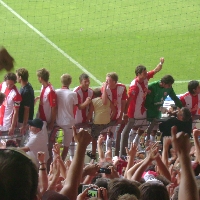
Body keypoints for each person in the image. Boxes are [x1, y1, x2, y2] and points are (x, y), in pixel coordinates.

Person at [120, 58, 164, 156]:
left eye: (145, 72)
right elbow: (129, 100)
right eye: (144, 73)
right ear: (138, 74)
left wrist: (161, 62)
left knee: (144, 126)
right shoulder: (134, 86)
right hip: (134, 111)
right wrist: (125, 113)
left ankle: (136, 143)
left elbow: (156, 70)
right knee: (134, 128)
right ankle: (130, 146)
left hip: (142, 108)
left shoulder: (145, 78)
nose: (146, 74)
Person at [145, 75, 182, 141]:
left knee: (154, 131)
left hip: (157, 112)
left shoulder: (169, 88)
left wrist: (182, 107)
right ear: (163, 83)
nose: (170, 86)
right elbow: (147, 104)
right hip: (149, 112)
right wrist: (159, 108)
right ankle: (139, 145)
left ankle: (151, 144)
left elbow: (175, 98)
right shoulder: (152, 87)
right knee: (143, 130)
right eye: (169, 85)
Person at [86, 86, 116, 159]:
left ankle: (93, 153)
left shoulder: (93, 101)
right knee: (104, 136)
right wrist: (110, 118)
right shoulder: (107, 100)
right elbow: (114, 110)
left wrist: (86, 121)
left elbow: (90, 114)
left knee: (94, 137)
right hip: (107, 122)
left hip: (97, 122)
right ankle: (105, 153)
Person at [102, 72, 127, 156]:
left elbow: (123, 102)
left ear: (114, 81)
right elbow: (104, 102)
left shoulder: (122, 88)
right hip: (105, 116)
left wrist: (121, 116)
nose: (106, 82)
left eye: (108, 80)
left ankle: (114, 156)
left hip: (116, 116)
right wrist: (104, 88)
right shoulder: (105, 88)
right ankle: (106, 155)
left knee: (112, 136)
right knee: (105, 136)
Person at [55, 74, 78, 161]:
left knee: (57, 145)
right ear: (70, 82)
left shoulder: (56, 92)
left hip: (58, 122)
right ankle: (61, 163)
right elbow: (76, 107)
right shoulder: (73, 94)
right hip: (69, 123)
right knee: (66, 146)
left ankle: (56, 163)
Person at [16, 68, 35, 142]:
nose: (16, 78)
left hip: (23, 121)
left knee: (20, 141)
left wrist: (24, 125)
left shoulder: (26, 91)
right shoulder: (26, 87)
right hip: (23, 120)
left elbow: (26, 110)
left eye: (17, 76)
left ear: (20, 77)